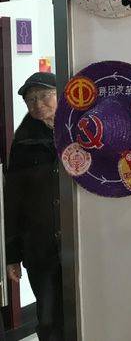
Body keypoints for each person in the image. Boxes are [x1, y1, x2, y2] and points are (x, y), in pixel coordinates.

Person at [4, 72, 64, 340]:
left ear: (60, 95)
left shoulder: (80, 130)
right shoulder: (23, 141)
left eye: (44, 95)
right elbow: (13, 200)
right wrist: (12, 255)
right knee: (49, 319)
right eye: (30, 99)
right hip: (40, 246)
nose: (37, 104)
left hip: (79, 243)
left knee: (85, 310)